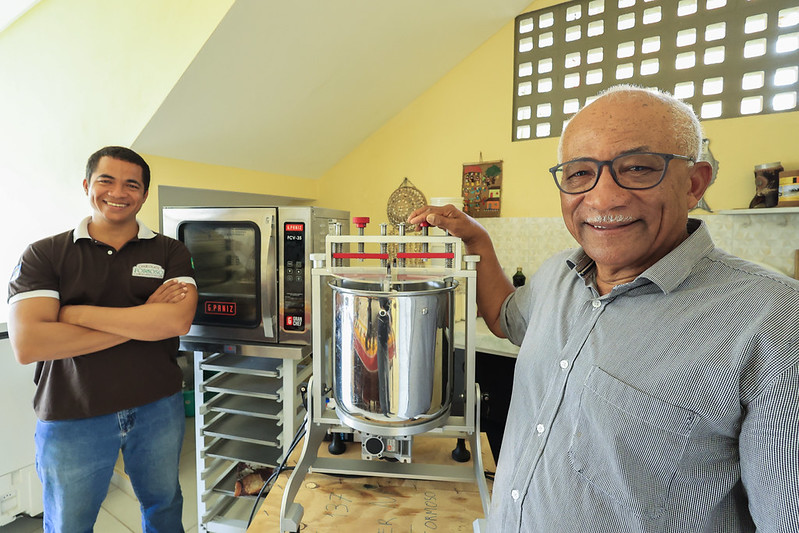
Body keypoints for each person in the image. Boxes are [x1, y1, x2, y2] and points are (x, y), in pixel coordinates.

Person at [409, 85, 799, 532]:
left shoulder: (776, 323)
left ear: (694, 183)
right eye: (579, 174)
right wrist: (477, 239)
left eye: (636, 168)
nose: (603, 198)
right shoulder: (558, 273)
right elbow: (503, 318)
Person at [7, 146, 198, 532]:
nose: (119, 192)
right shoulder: (45, 254)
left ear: (144, 194)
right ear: (87, 185)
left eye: (132, 184)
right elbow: (30, 344)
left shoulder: (170, 250)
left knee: (164, 507)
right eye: (106, 181)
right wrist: (143, 319)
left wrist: (73, 315)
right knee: (69, 523)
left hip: (157, 405)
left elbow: (176, 321)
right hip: (72, 411)